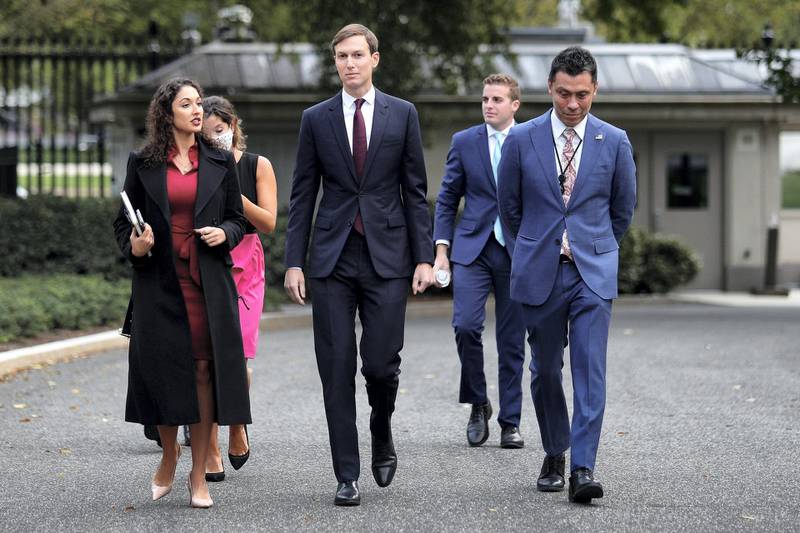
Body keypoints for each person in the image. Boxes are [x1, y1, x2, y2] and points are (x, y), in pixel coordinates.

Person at [283, 23, 434, 506]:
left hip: (388, 257)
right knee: (336, 366)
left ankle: (381, 426)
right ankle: (346, 473)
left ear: (374, 59)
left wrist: (424, 257)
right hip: (331, 258)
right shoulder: (316, 118)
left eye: (356, 55)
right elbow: (303, 193)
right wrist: (293, 262)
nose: (349, 63)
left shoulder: (403, 114)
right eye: (341, 57)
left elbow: (415, 191)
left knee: (381, 364)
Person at [497, 47, 636, 503]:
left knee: (590, 372)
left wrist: (593, 246)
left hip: (592, 273)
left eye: (581, 94)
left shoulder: (614, 142)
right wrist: (534, 249)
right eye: (562, 94)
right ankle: (555, 450)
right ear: (550, 89)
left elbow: (621, 210)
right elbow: (510, 210)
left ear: (595, 90)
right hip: (540, 271)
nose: (572, 104)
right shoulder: (522, 140)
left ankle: (582, 467)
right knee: (544, 371)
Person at [113, 77, 250, 509]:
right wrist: (136, 245)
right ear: (166, 113)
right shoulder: (143, 162)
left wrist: (223, 233)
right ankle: (169, 456)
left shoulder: (220, 160)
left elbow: (237, 219)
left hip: (206, 280)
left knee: (205, 372)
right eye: (187, 104)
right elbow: (123, 223)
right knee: (165, 370)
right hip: (159, 281)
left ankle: (198, 475)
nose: (197, 110)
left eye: (198, 104)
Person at [433, 74, 526, 449]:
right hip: (472, 248)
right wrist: (441, 251)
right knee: (466, 326)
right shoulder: (465, 141)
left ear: (514, 105)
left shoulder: (531, 139)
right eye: (485, 98)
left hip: (517, 250)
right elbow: (447, 198)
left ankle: (511, 422)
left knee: (511, 340)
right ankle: (477, 402)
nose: (489, 105)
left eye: (497, 99)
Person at [201, 95, 278, 481]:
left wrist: (233, 190)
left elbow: (268, 222)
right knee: (207, 355)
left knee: (239, 353)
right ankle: (210, 445)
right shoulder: (195, 167)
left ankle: (237, 422)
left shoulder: (256, 165)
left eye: (219, 130)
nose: (214, 138)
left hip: (247, 262)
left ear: (233, 126)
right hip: (208, 259)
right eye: (206, 133)